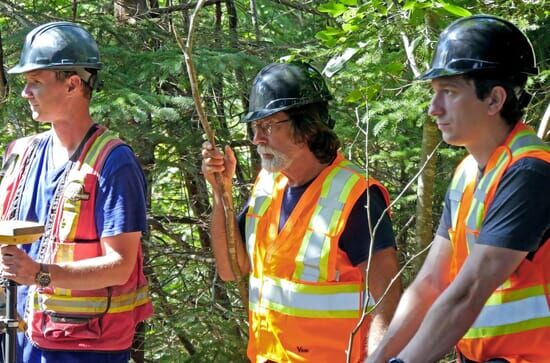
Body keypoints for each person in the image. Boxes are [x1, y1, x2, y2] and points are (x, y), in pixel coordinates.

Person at [366, 15, 550, 363]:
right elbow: (432, 282)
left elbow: (468, 291)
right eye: (434, 93)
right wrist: (378, 358)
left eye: (449, 92)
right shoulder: (467, 172)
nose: (434, 109)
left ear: (495, 99)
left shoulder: (530, 172)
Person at [201, 61, 401, 362]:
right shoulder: (268, 185)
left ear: (307, 126)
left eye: (268, 126)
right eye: (256, 127)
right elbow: (231, 269)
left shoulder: (357, 195)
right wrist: (221, 193)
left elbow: (389, 299)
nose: (257, 139)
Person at [0, 21, 153, 362]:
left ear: (72, 84)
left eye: (35, 82)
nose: (25, 92)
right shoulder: (20, 154)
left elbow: (120, 265)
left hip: (81, 350)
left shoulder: (114, 163)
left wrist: (39, 273)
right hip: (16, 340)